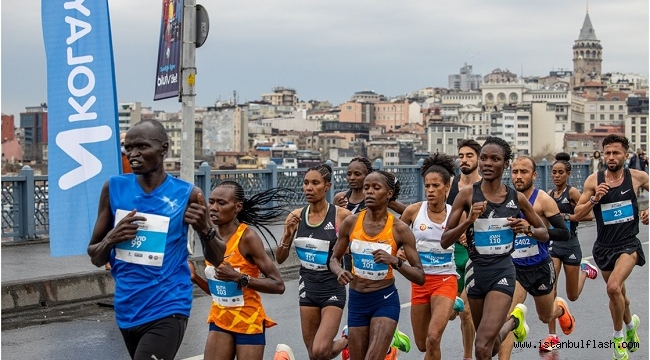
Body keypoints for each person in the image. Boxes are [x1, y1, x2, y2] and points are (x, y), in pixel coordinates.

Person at [87, 119, 225, 360]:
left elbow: (218, 257)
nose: (133, 154)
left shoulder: (187, 194)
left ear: (163, 148)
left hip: (168, 305)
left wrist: (205, 229)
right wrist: (111, 238)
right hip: (127, 307)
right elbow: (95, 256)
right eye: (128, 148)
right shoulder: (114, 187)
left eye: (141, 146)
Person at [441, 136, 548, 360]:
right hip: (476, 272)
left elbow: (544, 233)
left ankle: (510, 323)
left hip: (503, 271)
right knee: (489, 345)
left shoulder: (516, 199)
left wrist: (527, 228)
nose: (487, 163)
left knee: (481, 347)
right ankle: (513, 323)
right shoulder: (467, 195)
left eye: (495, 159)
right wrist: (469, 220)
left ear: (505, 164)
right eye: (484, 158)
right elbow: (445, 240)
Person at [185, 181, 287, 360]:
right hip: (220, 318)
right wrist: (195, 278)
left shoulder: (247, 238)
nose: (213, 208)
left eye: (221, 203)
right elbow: (218, 291)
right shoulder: (211, 239)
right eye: (211, 202)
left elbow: (278, 285)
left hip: (247, 319)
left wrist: (239, 277)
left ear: (237, 207)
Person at [330, 170, 425, 360]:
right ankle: (390, 350)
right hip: (357, 301)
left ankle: (389, 341)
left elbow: (420, 276)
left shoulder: (400, 229)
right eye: (366, 188)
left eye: (376, 188)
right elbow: (334, 258)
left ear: (389, 194)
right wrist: (339, 270)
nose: (369, 192)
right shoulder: (351, 223)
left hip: (384, 300)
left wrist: (395, 261)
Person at [573, 134, 649, 360]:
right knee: (620, 296)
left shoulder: (637, 177)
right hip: (604, 247)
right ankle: (630, 325)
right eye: (608, 153)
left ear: (626, 155)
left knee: (613, 288)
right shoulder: (593, 181)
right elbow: (577, 214)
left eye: (616, 153)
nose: (612, 157)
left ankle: (618, 338)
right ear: (603, 154)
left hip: (628, 244)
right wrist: (595, 199)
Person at [497, 156, 574, 359]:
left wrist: (529, 229)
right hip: (515, 269)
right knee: (507, 316)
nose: (519, 176)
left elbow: (564, 233)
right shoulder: (504, 199)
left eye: (524, 172)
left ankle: (560, 310)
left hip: (540, 266)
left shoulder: (543, 200)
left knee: (545, 316)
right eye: (515, 172)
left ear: (534, 174)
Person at [276, 164, 352, 360]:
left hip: (332, 288)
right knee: (313, 354)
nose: (308, 188)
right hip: (308, 287)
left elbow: (358, 246)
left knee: (320, 350)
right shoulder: (296, 216)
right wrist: (287, 234)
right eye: (306, 183)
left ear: (327, 186)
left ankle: (347, 339)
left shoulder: (341, 216)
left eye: (315, 183)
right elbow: (280, 258)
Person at [398, 153, 460, 360]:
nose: (431, 190)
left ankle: (452, 303)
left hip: (445, 279)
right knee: (423, 344)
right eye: (427, 186)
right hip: (421, 281)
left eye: (436, 186)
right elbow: (395, 238)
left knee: (434, 338)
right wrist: (397, 251)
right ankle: (454, 307)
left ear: (447, 187)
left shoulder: (455, 214)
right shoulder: (414, 212)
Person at [542, 152, 598, 351]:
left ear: (568, 174)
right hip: (554, 246)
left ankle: (584, 270)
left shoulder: (573, 193)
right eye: (553, 172)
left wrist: (568, 216)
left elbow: (589, 215)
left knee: (572, 295)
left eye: (560, 173)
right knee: (551, 289)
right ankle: (552, 336)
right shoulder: (548, 195)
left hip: (571, 245)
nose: (556, 176)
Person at [446, 139, 481, 360]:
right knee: (449, 314)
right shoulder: (450, 184)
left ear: (478, 158)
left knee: (466, 312)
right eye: (461, 156)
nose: (464, 160)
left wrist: (469, 231)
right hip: (450, 252)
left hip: (474, 253)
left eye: (469, 156)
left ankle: (467, 356)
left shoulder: (485, 184)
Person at [333, 156, 406, 215]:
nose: (352, 178)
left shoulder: (375, 197)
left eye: (357, 174)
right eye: (349, 174)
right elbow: (333, 224)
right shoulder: (340, 198)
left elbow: (407, 212)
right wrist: (339, 211)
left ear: (367, 176)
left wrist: (394, 227)